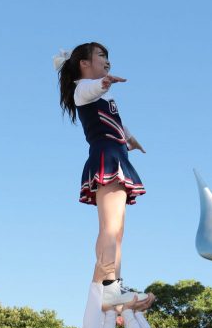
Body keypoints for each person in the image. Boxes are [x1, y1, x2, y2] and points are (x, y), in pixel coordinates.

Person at [56, 42, 146, 309]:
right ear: (84, 63)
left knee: (117, 230)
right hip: (107, 156)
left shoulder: (102, 97)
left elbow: (117, 123)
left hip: (117, 155)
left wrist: (130, 139)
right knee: (110, 227)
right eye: (102, 56)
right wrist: (103, 83)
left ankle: (112, 285)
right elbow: (90, 88)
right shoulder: (83, 88)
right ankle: (109, 286)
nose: (107, 61)